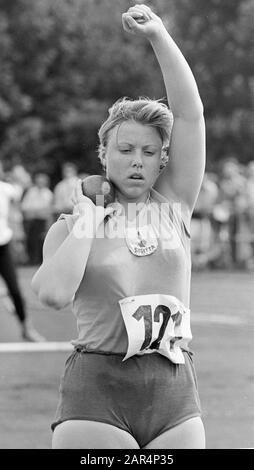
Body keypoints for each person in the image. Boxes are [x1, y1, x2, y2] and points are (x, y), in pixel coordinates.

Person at [32, 4, 206, 449]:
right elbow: (52, 295)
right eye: (125, 149)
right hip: (97, 392)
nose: (137, 161)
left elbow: (190, 116)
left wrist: (159, 36)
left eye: (149, 152)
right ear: (103, 154)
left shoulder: (174, 207)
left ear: (162, 159)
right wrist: (88, 223)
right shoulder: (71, 227)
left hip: (174, 390)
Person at [0, 163, 45, 342]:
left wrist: (20, 173)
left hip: (3, 245)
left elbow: (24, 185)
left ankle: (27, 328)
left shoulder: (5, 189)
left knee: (15, 290)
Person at [21, 172, 54, 265]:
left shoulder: (48, 193)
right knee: (30, 240)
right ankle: (31, 259)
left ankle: (39, 260)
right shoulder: (31, 192)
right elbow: (24, 206)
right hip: (31, 220)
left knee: (41, 240)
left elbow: (48, 209)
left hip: (42, 221)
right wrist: (36, 211)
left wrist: (35, 211)